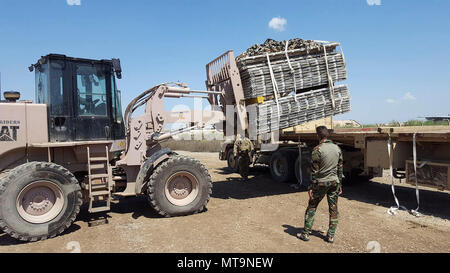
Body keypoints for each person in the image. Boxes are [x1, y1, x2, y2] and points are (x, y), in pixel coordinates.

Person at [299, 126, 343, 243]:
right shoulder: (337, 149)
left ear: (318, 136)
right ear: (328, 135)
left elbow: (314, 171)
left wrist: (311, 187)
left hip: (321, 184)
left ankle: (306, 233)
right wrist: (340, 185)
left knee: (312, 207)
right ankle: (331, 236)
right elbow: (340, 169)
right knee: (333, 209)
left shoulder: (317, 150)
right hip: (334, 183)